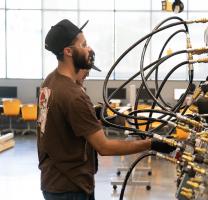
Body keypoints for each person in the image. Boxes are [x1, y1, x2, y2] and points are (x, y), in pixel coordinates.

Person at [37, 19, 175, 200]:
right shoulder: (73, 95)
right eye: (83, 44)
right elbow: (105, 147)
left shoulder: (49, 82)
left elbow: (59, 125)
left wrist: (94, 117)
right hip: (71, 187)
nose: (89, 48)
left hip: (53, 180)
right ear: (68, 51)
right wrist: (151, 143)